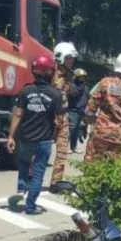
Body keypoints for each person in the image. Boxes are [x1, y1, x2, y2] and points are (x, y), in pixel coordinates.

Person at [7, 54, 64, 214]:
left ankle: (21, 189)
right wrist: (55, 135)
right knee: (38, 173)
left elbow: (18, 114)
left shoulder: (26, 91)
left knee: (24, 165)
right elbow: (59, 120)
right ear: (50, 73)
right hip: (44, 141)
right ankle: (30, 206)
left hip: (25, 138)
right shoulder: (56, 94)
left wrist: (11, 136)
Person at [84, 51, 121, 161]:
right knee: (114, 167)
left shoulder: (104, 83)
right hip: (120, 137)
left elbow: (90, 110)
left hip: (101, 133)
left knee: (93, 165)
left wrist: (88, 124)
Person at [48, 41, 77, 189]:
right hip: (49, 116)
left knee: (62, 151)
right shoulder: (50, 72)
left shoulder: (70, 75)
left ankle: (56, 183)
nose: (72, 61)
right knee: (42, 149)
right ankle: (31, 178)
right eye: (69, 58)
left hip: (63, 115)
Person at [68, 68, 89, 152]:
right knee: (71, 129)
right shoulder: (73, 86)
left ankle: (74, 147)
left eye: (83, 77)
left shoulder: (86, 87)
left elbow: (87, 98)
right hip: (73, 111)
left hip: (82, 111)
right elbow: (73, 95)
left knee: (77, 130)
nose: (82, 79)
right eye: (80, 77)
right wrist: (80, 87)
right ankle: (67, 147)